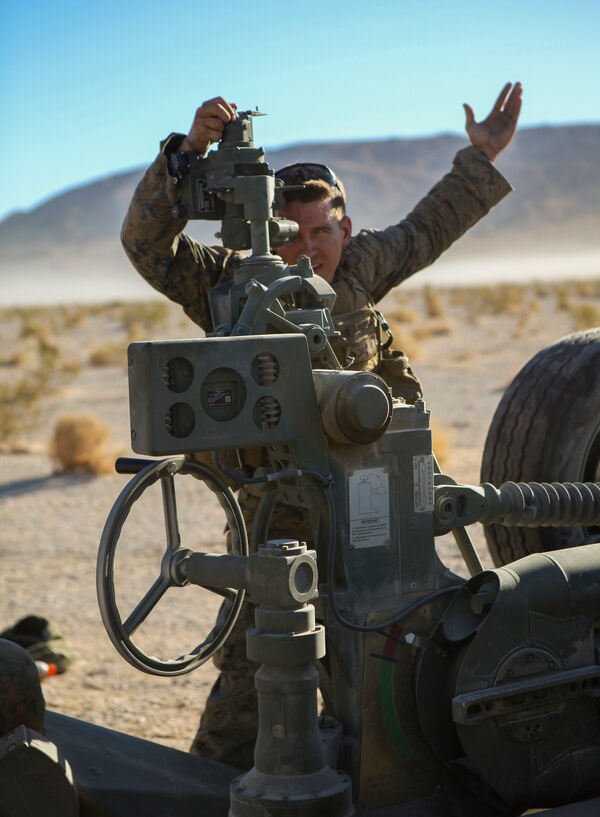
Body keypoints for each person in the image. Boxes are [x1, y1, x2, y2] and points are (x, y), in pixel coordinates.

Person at [121, 82, 522, 767]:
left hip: (366, 518)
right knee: (249, 690)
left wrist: (478, 158)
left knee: (374, 678)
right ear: (267, 232)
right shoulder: (227, 285)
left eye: (322, 231)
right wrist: (186, 153)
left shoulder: (361, 270)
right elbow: (145, 242)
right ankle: (214, 806)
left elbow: (429, 227)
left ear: (344, 227)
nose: (309, 251)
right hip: (271, 527)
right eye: (292, 234)